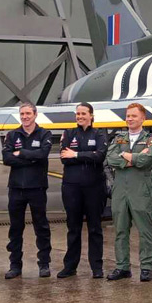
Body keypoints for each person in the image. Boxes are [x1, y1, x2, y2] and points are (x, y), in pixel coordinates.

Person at [105, 103, 152, 282]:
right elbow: (110, 158)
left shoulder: (150, 139)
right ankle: (122, 267)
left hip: (140, 190)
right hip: (120, 189)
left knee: (145, 230)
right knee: (120, 230)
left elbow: (148, 158)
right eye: (128, 116)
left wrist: (127, 156)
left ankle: (146, 267)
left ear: (143, 118)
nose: (129, 119)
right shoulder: (119, 138)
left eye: (133, 116)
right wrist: (131, 159)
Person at [0, 102, 54, 279]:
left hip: (37, 187)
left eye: (28, 113)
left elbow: (42, 155)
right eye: (22, 114)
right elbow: (7, 159)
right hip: (16, 189)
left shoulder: (45, 133)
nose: (25, 117)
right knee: (15, 228)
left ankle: (44, 264)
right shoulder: (12, 134)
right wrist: (30, 157)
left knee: (41, 226)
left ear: (35, 114)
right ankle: (15, 265)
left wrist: (20, 153)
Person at [57, 102, 108, 279]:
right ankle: (70, 266)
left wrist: (77, 154)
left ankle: (97, 267)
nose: (80, 117)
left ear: (91, 115)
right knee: (73, 227)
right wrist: (88, 155)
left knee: (95, 228)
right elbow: (64, 157)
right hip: (72, 187)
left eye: (83, 113)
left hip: (94, 187)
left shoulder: (100, 134)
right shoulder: (68, 133)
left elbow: (100, 156)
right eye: (77, 114)